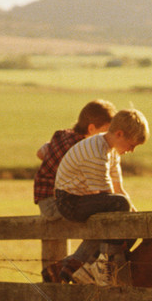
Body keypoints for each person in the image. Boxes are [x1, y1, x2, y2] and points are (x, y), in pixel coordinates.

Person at [52, 108, 150, 284]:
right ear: (119, 134)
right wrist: (126, 213)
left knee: (128, 223)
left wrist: (136, 218)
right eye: (132, 144)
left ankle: (79, 267)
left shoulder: (110, 152)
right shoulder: (96, 153)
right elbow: (107, 195)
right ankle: (104, 264)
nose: (132, 150)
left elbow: (118, 189)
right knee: (119, 210)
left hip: (86, 199)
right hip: (70, 201)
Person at [35, 100, 115, 282]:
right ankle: (76, 267)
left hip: (44, 200)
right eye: (106, 130)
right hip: (56, 203)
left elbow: (41, 152)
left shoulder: (62, 136)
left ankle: (63, 269)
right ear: (93, 128)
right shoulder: (84, 149)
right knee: (102, 223)